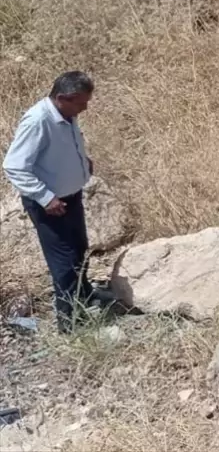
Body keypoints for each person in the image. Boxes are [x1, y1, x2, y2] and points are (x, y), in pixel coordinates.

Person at [3, 71, 115, 333]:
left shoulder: (67, 114)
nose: (86, 107)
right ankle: (70, 322)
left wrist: (82, 162)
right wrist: (45, 197)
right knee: (63, 261)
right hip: (50, 205)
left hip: (70, 197)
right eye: (82, 102)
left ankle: (85, 294)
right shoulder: (38, 121)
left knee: (79, 249)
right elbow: (14, 167)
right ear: (64, 97)